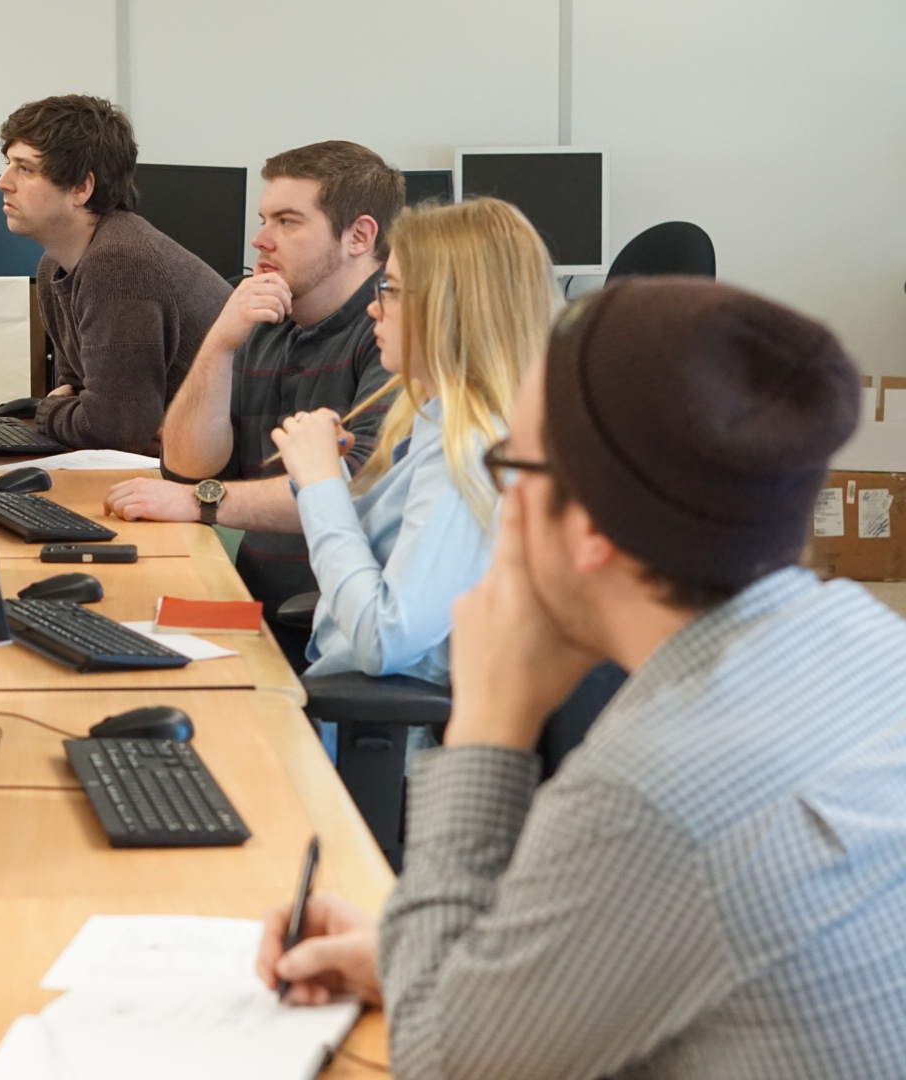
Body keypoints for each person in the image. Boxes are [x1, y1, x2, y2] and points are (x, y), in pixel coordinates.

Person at [256, 279, 906, 1078]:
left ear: (590, 528)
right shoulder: (873, 643)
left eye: (513, 464)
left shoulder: (650, 791)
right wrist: (406, 955)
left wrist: (489, 726)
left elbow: (444, 1064)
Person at [104, 141, 403, 660]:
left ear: (359, 235)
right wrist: (220, 343)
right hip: (249, 598)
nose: (260, 239)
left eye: (287, 222)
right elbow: (186, 466)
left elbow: (357, 487)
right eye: (265, 219)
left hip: (325, 623)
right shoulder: (267, 314)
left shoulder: (394, 335)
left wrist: (203, 503)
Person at [269, 198, 554, 683]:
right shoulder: (432, 415)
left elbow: (387, 639)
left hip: (392, 739)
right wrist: (324, 473)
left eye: (393, 291)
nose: (375, 308)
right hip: (350, 699)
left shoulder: (467, 450)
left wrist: (321, 487)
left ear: (452, 309)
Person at [0, 94, 230, 455]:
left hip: (226, 468)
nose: (3, 182)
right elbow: (78, 388)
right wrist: (77, 408)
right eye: (9, 164)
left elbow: (115, 431)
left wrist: (46, 411)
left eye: (25, 169)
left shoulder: (119, 262)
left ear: (81, 188)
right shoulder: (54, 266)